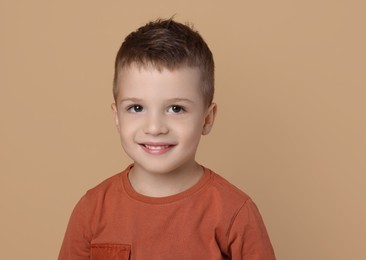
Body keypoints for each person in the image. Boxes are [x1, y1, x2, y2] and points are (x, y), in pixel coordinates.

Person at [58, 18, 276, 260]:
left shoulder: (235, 213)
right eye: (137, 108)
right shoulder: (92, 210)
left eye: (176, 109)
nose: (155, 127)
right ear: (116, 116)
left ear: (207, 119)